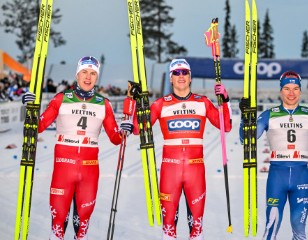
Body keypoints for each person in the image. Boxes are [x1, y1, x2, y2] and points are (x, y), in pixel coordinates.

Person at [22, 56, 134, 240]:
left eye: (92, 73)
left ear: (97, 77)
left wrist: (125, 129)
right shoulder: (61, 99)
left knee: (83, 229)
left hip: (89, 171)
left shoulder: (103, 103)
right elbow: (38, 126)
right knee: (57, 227)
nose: (88, 77)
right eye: (84, 72)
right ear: (77, 74)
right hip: (63, 169)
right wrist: (31, 108)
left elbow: (115, 138)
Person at [125, 58, 232, 240]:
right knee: (168, 227)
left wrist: (226, 101)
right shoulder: (161, 103)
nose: (181, 76)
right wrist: (132, 100)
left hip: (195, 170)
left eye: (184, 72)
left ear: (190, 77)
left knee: (197, 228)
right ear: (171, 79)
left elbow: (226, 126)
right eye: (176, 73)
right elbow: (137, 128)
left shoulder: (203, 102)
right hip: (170, 170)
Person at [239, 70, 308, 240]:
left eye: (295, 88)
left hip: (301, 177)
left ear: (300, 91)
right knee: (271, 226)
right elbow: (247, 139)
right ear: (281, 91)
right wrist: (245, 118)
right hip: (277, 176)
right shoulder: (269, 114)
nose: (291, 93)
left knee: (299, 229)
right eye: (287, 88)